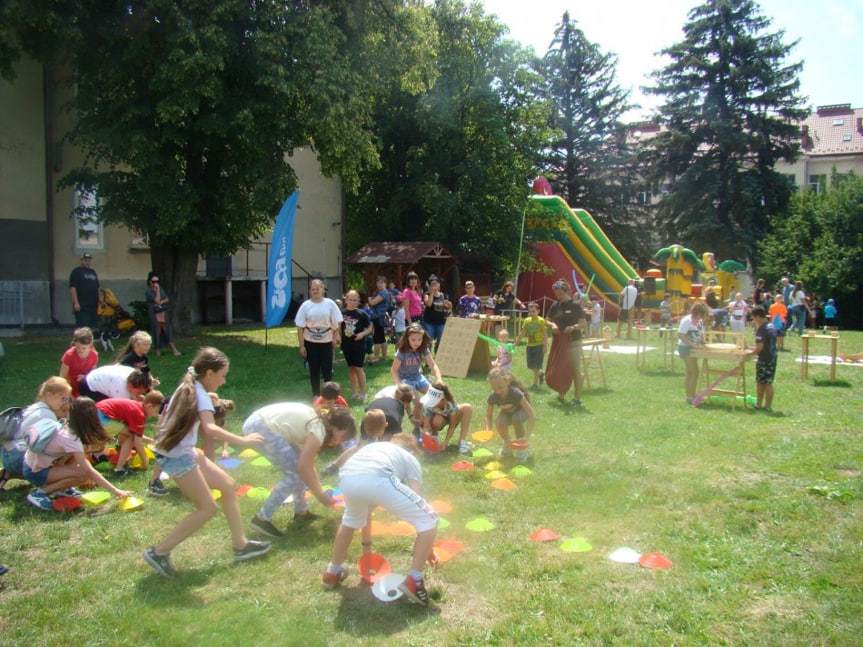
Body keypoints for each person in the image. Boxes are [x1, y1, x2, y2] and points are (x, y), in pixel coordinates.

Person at [143, 347, 272, 578]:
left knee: (227, 484)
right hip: (176, 456)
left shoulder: (192, 386)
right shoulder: (199, 393)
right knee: (207, 508)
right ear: (209, 373)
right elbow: (210, 428)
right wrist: (243, 440)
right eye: (222, 376)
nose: (223, 381)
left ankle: (240, 545)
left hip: (183, 450)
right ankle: (158, 552)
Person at [321, 433, 439, 606]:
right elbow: (418, 499)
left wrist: (367, 550)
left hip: (347, 478)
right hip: (379, 476)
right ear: (413, 451)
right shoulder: (409, 458)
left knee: (349, 521)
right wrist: (427, 548)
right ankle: (414, 579)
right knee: (430, 519)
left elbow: (367, 511)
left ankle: (333, 571)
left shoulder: (375, 449)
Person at [242, 403, 357, 538]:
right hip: (261, 427)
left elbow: (308, 463)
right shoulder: (319, 431)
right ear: (335, 427)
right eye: (343, 437)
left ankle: (301, 512)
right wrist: (320, 495)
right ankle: (262, 518)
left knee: (298, 469)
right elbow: (303, 466)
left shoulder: (319, 425)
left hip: (261, 422)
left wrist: (317, 487)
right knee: (295, 474)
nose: (339, 443)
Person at [23, 396, 133, 510]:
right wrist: (117, 491)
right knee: (82, 475)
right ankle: (40, 493)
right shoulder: (71, 438)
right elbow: (88, 470)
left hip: (31, 465)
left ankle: (62, 488)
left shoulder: (65, 425)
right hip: (36, 472)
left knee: (83, 455)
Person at [1, 377, 72, 493]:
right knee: (63, 450)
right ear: (49, 396)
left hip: (7, 454)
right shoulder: (47, 415)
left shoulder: (34, 408)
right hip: (19, 456)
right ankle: (55, 483)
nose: (65, 403)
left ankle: (7, 472)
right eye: (63, 399)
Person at [96, 392, 164, 478]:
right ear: (149, 406)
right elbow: (137, 442)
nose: (156, 415)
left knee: (129, 433)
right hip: (101, 417)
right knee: (131, 436)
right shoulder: (139, 414)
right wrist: (145, 462)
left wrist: (152, 441)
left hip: (96, 413)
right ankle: (120, 469)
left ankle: (119, 453)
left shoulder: (137, 407)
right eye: (156, 411)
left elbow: (137, 434)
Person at [295, 279, 343, 398]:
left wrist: (335, 336)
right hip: (311, 342)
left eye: (318, 289)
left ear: (323, 289)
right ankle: (315, 395)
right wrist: (301, 346)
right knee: (314, 369)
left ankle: (330, 394)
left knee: (327, 369)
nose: (316, 291)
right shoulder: (306, 305)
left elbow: (337, 322)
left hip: (326, 341)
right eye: (313, 289)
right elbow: (300, 327)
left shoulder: (330, 304)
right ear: (310, 291)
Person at [545, 279, 587, 408]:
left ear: (567, 291)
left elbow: (583, 323)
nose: (558, 297)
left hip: (573, 342)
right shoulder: (555, 306)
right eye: (556, 295)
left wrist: (573, 327)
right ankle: (561, 394)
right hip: (559, 341)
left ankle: (577, 398)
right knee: (558, 367)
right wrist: (553, 325)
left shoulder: (575, 305)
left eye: (561, 294)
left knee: (574, 369)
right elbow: (546, 320)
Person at [391, 324, 442, 423]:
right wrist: (399, 385)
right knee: (419, 403)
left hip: (418, 377)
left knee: (435, 396)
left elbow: (433, 365)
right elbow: (394, 370)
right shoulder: (402, 351)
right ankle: (417, 427)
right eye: (413, 340)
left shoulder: (423, 349)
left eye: (419, 339)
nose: (417, 342)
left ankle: (429, 423)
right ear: (407, 338)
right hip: (405, 380)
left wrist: (439, 379)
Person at [485, 367, 535, 462]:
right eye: (494, 388)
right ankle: (507, 441)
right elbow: (488, 415)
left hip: (522, 411)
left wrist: (526, 436)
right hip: (507, 412)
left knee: (516, 418)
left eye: (500, 387)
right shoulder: (493, 396)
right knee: (500, 422)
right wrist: (488, 431)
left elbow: (532, 415)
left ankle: (522, 448)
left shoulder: (515, 393)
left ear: (507, 381)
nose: (498, 391)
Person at [420, 381, 473, 454]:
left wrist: (446, 442)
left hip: (452, 417)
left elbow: (452, 425)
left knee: (467, 408)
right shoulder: (427, 404)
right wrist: (428, 436)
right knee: (437, 420)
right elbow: (425, 426)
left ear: (443, 399)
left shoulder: (451, 404)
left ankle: (462, 441)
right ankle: (434, 437)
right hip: (438, 418)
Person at [340, 289, 372, 401]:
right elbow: (338, 327)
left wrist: (363, 334)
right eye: (350, 299)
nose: (352, 302)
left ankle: (363, 392)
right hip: (346, 344)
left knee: (358, 368)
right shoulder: (342, 313)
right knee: (351, 368)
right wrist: (337, 338)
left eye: (355, 300)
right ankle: (354, 392)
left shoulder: (362, 314)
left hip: (359, 344)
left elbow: (370, 328)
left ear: (358, 301)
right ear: (346, 300)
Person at [678, 301, 708, 405]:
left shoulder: (699, 321)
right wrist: (693, 345)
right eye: (702, 314)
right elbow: (681, 335)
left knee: (690, 372)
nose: (702, 317)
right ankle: (691, 396)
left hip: (694, 348)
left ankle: (690, 395)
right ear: (696, 312)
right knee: (694, 371)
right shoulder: (687, 320)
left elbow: (701, 333)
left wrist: (703, 343)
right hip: (686, 348)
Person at [747, 306, 777, 411]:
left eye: (754, 318)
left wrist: (750, 353)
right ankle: (768, 406)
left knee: (761, 382)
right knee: (768, 382)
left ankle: (758, 404)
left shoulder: (762, 329)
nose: (753, 321)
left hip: (764, 358)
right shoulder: (771, 326)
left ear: (758, 317)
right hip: (772, 357)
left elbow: (760, 347)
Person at [145, 272, 182, 357]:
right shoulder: (148, 290)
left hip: (162, 312)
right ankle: (157, 349)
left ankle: (174, 349)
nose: (156, 283)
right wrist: (157, 291)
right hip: (154, 313)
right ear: (150, 281)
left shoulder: (160, 288)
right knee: (157, 331)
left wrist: (162, 301)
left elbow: (167, 299)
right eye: (154, 281)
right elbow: (156, 300)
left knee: (167, 330)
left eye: (157, 281)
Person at [514, 302, 549, 390]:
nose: (532, 313)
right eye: (530, 311)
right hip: (529, 345)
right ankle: (540, 373)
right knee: (530, 365)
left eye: (534, 311)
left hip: (539, 345)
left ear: (538, 311)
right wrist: (516, 343)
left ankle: (535, 384)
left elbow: (544, 334)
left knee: (536, 365)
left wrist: (545, 346)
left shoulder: (541, 321)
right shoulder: (527, 321)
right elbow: (522, 332)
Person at [58, 327, 99, 397]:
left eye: (84, 348)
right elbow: (62, 378)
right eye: (78, 347)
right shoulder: (69, 355)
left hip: (86, 386)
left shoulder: (94, 355)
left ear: (90, 345)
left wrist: (85, 377)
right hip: (70, 387)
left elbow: (93, 375)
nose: (81, 350)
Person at [79, 364, 151, 402]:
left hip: (95, 376)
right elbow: (124, 407)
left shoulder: (136, 373)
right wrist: (136, 400)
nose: (139, 394)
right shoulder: (120, 390)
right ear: (129, 386)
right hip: (88, 387)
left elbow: (147, 378)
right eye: (138, 392)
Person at [421, 274, 451, 353]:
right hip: (429, 322)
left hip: (441, 322)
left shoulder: (444, 295)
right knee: (429, 340)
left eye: (436, 283)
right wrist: (431, 293)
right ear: (430, 286)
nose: (434, 285)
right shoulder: (426, 295)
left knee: (440, 341)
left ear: (439, 285)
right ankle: (428, 359)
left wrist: (447, 305)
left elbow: (448, 308)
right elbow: (429, 304)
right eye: (432, 284)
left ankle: (437, 358)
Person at [69, 252, 100, 329]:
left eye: (89, 260)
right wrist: (76, 303)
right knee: (83, 327)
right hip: (82, 305)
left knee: (94, 326)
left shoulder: (93, 272)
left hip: (93, 305)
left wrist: (100, 300)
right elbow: (73, 288)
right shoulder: (76, 272)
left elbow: (97, 287)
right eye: (86, 260)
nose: (87, 262)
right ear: (81, 261)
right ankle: (80, 340)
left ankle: (90, 340)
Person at [367, 276, 392, 363]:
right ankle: (384, 357)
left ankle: (377, 357)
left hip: (377, 316)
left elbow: (372, 302)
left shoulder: (383, 293)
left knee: (377, 337)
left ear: (385, 284)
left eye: (382, 282)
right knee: (381, 337)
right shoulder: (384, 292)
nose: (379, 285)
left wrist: (370, 299)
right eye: (378, 283)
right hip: (380, 316)